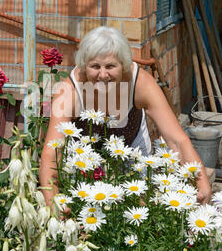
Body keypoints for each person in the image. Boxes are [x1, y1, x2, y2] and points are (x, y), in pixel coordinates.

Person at [39, 26, 212, 208]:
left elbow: (176, 140)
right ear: (84, 66)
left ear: (123, 64)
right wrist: (53, 203)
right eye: (95, 66)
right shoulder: (69, 91)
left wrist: (200, 180)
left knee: (138, 208)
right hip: (83, 156)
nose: (103, 75)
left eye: (111, 66)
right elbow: (52, 151)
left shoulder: (140, 83)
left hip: (131, 149)